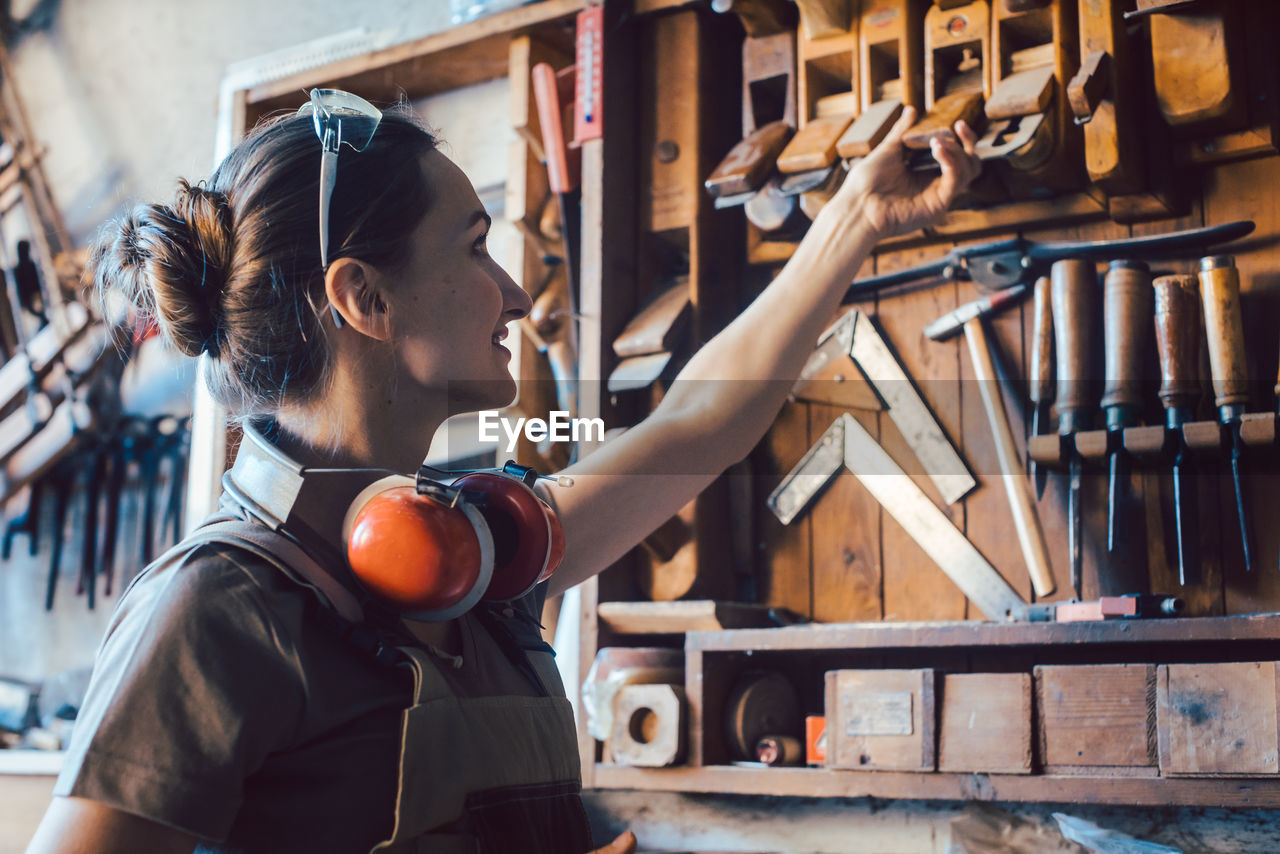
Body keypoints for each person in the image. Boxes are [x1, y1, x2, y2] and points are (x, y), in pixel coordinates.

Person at [25, 88, 979, 854]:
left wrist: (858, 214)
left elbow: (703, 422)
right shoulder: (215, 611)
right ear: (364, 296)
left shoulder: (475, 556)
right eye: (476, 248)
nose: (518, 294)